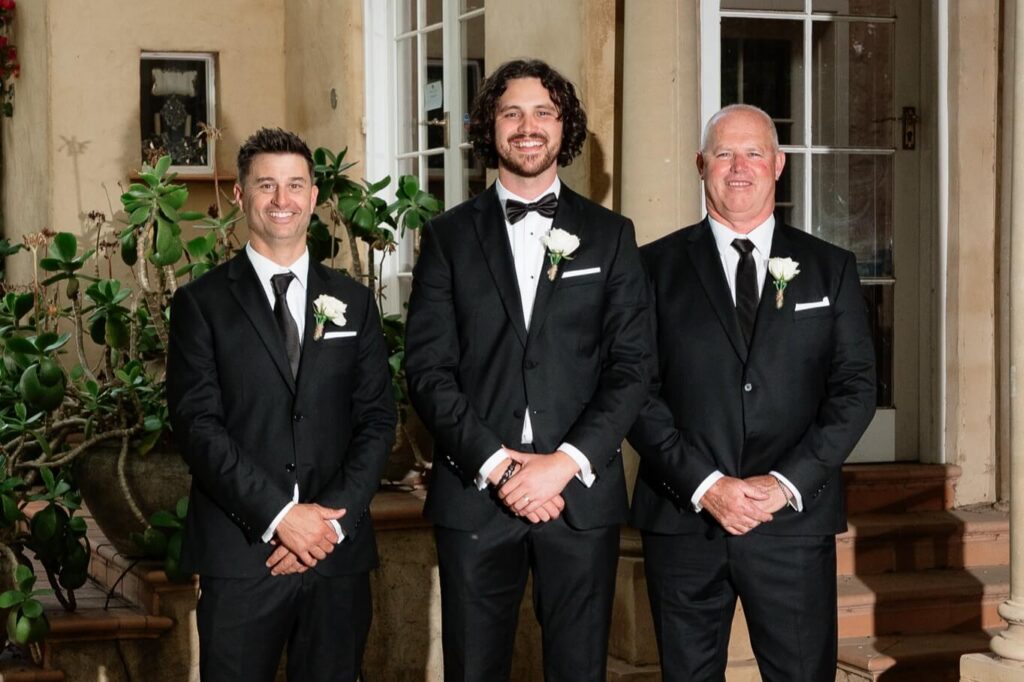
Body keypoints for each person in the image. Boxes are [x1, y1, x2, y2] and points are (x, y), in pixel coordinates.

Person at [404, 59, 650, 681]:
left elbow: (631, 367)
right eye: (511, 112)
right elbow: (428, 371)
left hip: (580, 496)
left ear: (565, 128)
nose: (527, 126)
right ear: (490, 127)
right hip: (476, 495)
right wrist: (501, 466)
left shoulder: (611, 235)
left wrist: (564, 463)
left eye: (544, 112)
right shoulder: (447, 237)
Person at [627, 104, 876, 682]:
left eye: (754, 153)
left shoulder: (830, 268)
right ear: (700, 164)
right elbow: (634, 388)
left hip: (792, 524)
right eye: (724, 154)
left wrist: (785, 483)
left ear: (778, 165)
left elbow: (856, 388)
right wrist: (706, 485)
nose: (739, 168)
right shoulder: (650, 267)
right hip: (685, 520)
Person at [166, 127, 395, 681]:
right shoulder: (201, 305)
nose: (281, 199)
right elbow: (198, 427)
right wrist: (280, 517)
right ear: (241, 195)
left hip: (335, 556)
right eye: (266, 185)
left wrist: (326, 525)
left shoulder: (354, 301)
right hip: (242, 555)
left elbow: (376, 420)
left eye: (294, 185)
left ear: (314, 197)